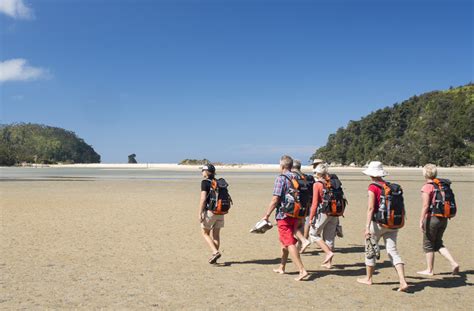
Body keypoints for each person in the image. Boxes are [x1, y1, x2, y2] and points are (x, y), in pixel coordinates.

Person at [356, 161, 409, 292]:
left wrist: (367, 227)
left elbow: (370, 208)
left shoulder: (373, 187)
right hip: (392, 223)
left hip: (377, 223)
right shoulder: (390, 186)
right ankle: (402, 281)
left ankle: (368, 278)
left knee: (370, 250)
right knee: (393, 251)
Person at [262, 155, 309, 281]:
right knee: (284, 242)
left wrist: (267, 215)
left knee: (289, 242)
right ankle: (282, 267)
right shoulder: (299, 177)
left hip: (284, 215)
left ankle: (302, 270)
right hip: (297, 213)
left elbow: (275, 199)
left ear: (282, 166)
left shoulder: (281, 178)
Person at [417, 164, 459, 276]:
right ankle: (453, 263)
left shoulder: (427, 187)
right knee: (438, 243)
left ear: (424, 174)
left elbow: (425, 205)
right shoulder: (441, 186)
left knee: (428, 244)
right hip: (443, 218)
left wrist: (421, 220)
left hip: (432, 218)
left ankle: (429, 269)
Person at [308, 163, 337, 268]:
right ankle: (329, 263)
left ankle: (328, 253)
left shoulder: (318, 184)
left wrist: (311, 218)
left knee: (313, 234)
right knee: (329, 237)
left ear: (317, 173)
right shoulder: (333, 182)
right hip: (335, 212)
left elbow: (315, 203)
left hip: (324, 212)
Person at [199, 164, 224, 264]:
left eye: (203, 170)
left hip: (210, 211)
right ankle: (215, 257)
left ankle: (215, 252)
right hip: (221, 211)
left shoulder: (205, 182)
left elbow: (203, 199)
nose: (202, 172)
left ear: (207, 172)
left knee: (205, 233)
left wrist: (200, 212)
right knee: (216, 235)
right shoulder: (218, 182)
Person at [291, 159, 312, 253]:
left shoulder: (292, 176)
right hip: (305, 205)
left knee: (293, 227)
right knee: (301, 225)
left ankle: (301, 243)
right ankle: (299, 246)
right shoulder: (305, 177)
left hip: (295, 206)